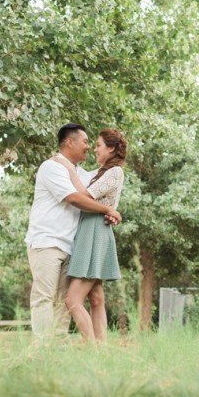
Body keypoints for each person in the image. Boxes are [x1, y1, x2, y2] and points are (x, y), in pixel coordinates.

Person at [24, 123, 121, 338]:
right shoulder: (52, 167)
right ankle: (42, 350)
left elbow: (92, 194)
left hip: (71, 246)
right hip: (47, 242)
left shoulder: (82, 174)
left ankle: (57, 348)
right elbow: (74, 198)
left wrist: (108, 211)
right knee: (44, 297)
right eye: (86, 142)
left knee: (63, 301)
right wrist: (108, 210)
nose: (89, 147)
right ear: (70, 142)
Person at [52, 128, 127, 343]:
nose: (94, 149)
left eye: (98, 145)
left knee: (72, 300)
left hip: (95, 229)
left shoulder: (115, 172)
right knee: (96, 298)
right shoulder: (100, 172)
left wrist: (68, 166)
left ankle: (93, 348)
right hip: (89, 228)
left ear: (111, 148)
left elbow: (85, 195)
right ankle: (101, 350)